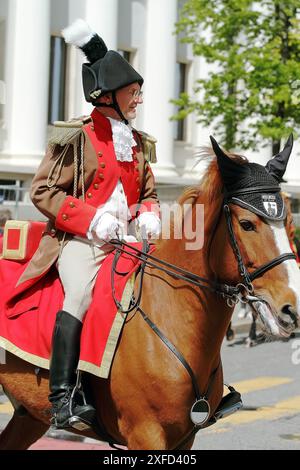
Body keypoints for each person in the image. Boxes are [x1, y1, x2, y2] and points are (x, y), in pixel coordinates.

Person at [27, 19, 161, 430]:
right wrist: (92, 219)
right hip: (79, 241)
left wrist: (151, 213)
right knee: (81, 297)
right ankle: (63, 399)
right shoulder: (76, 137)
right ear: (108, 96)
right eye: (132, 92)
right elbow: (42, 191)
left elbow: (148, 193)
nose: (138, 99)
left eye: (138, 92)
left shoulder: (136, 142)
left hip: (127, 243)